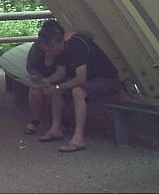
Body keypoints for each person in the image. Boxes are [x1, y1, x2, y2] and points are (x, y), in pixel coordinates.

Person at [35, 22, 121, 152]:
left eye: (52, 50)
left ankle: (78, 138)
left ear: (60, 42)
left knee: (78, 92)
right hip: (90, 79)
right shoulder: (59, 50)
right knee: (57, 90)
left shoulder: (77, 46)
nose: (51, 53)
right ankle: (55, 129)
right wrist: (45, 81)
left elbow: (81, 78)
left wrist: (57, 87)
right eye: (47, 50)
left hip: (107, 79)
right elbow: (60, 73)